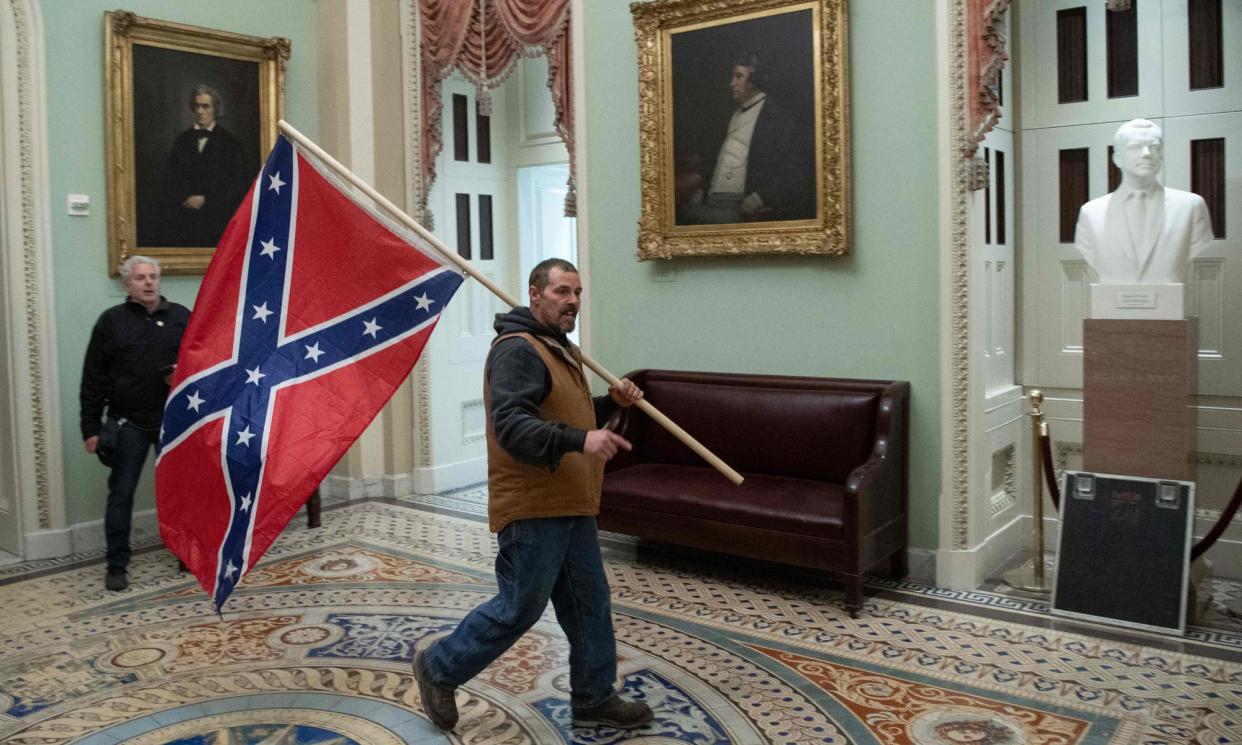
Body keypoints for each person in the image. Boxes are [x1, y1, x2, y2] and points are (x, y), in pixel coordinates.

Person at [413, 258, 654, 732]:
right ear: (535, 293)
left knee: (589, 603)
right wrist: (581, 441)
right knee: (518, 607)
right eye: (562, 291)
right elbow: (514, 426)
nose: (572, 301)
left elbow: (563, 414)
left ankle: (593, 696)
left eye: (577, 292)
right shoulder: (518, 350)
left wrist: (610, 405)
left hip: (572, 502)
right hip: (534, 506)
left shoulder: (557, 347)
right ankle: (439, 667)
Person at [80, 256, 190, 591]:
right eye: (140, 278)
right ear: (127, 284)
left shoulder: (181, 317)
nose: (148, 283)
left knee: (181, 491)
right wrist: (90, 428)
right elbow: (93, 377)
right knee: (121, 494)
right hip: (129, 423)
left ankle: (187, 553)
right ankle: (116, 564)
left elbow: (202, 361)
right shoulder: (111, 321)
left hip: (174, 420)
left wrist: (180, 374)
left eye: (153, 276)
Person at [677, 51, 815, 225]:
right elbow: (721, 159)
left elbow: (796, 173)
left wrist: (759, 198)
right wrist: (701, 189)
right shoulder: (733, 114)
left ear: (754, 80)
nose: (731, 83)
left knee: (687, 216)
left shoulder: (778, 117)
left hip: (740, 208)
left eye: (739, 77)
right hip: (710, 201)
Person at [1074, 118, 1214, 285]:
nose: (1147, 153)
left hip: (1167, 304)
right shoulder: (1091, 212)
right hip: (1112, 304)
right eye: (1135, 147)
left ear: (1161, 156)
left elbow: (1198, 244)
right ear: (1117, 158)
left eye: (1154, 147)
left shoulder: (1191, 206)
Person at [155, 85, 249, 247]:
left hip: (216, 221)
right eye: (197, 106)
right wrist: (185, 199)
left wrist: (206, 200)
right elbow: (169, 178)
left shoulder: (230, 143)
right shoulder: (182, 141)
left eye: (205, 106)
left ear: (215, 109)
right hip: (182, 220)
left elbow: (237, 184)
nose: (200, 111)